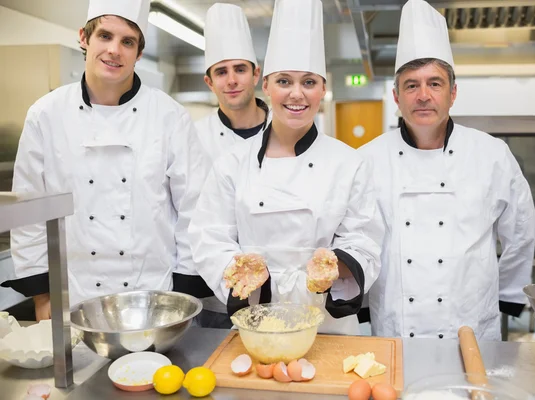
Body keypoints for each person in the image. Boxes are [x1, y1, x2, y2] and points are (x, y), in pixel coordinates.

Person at [1, 0, 206, 321]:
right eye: (105, 36)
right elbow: (28, 211)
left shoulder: (169, 116)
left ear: (139, 53)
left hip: (154, 296)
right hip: (73, 295)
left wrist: (182, 292)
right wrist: (43, 295)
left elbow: (194, 208)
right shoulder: (46, 114)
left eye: (127, 42)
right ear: (83, 37)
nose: (115, 50)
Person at [188, 0, 384, 335]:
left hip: (329, 322)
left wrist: (338, 268)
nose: (297, 94)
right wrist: (244, 276)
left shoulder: (349, 163)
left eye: (309, 82)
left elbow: (365, 239)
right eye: (284, 81)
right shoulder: (232, 164)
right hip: (255, 318)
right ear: (266, 86)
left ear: (323, 89)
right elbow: (209, 237)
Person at [359, 0, 535, 340]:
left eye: (435, 83)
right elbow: (360, 239)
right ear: (396, 96)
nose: (423, 95)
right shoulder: (368, 159)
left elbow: (521, 230)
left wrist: (510, 296)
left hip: (470, 324)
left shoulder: (492, 154)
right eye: (411, 85)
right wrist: (364, 304)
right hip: (397, 327)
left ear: (453, 93)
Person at [173, 3, 268, 329]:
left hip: (280, 291)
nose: (232, 80)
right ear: (209, 82)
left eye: (240, 69)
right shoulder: (192, 138)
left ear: (256, 74)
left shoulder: (287, 135)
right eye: (221, 72)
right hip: (214, 295)